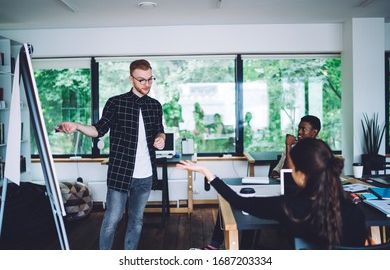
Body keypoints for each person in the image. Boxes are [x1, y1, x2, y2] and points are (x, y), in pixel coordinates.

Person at [177, 138, 367, 249]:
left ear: (301, 174)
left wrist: (206, 172)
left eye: (292, 168)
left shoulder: (290, 207)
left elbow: (240, 202)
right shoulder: (355, 210)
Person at [55, 59, 165, 250]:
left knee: (136, 220)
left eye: (150, 79)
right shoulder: (116, 103)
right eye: (141, 80)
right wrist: (77, 126)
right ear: (131, 79)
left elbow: (159, 130)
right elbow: (98, 130)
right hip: (120, 172)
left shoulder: (155, 105)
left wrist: (161, 138)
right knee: (112, 220)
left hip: (145, 174)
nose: (146, 84)